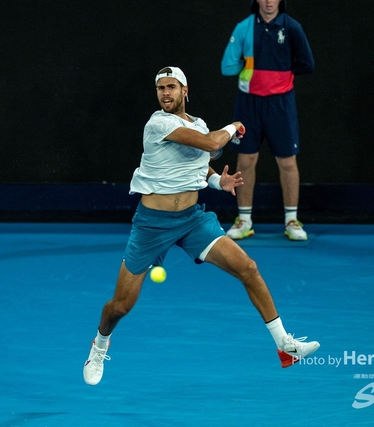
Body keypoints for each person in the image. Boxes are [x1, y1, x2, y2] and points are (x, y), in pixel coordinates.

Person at [82, 66, 319, 386]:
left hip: (192, 220)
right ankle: (99, 346)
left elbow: (198, 162)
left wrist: (218, 181)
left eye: (171, 87)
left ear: (185, 90)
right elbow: (210, 143)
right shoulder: (158, 123)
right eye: (160, 88)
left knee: (248, 268)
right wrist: (234, 126)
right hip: (151, 226)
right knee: (121, 306)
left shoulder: (197, 125)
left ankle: (284, 346)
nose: (165, 93)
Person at [221, 0, 314, 241]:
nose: (269, 1)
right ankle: (244, 220)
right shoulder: (244, 27)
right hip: (248, 103)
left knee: (287, 162)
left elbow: (307, 63)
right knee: (246, 160)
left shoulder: (292, 27)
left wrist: (280, 76)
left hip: (281, 104)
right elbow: (227, 66)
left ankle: (291, 220)